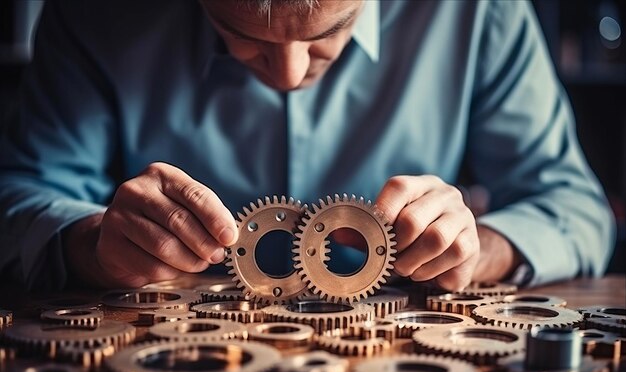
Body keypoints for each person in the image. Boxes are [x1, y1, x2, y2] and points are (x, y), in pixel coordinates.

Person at [0, 0, 615, 292]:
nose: (289, 75)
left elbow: (574, 206)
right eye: (240, 35)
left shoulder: (479, 12)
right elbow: (18, 195)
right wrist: (91, 244)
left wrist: (481, 254)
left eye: (333, 31)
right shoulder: (92, 15)